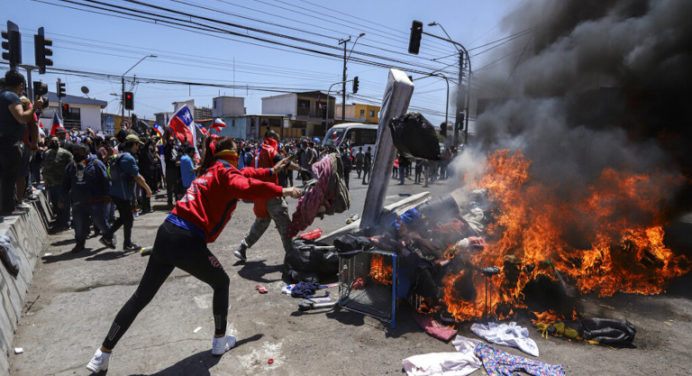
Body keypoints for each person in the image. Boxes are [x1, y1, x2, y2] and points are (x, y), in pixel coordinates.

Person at [85, 135, 301, 373]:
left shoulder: (213, 169)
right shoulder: (225, 172)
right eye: (236, 148)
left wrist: (271, 169)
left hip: (166, 231)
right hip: (186, 239)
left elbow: (247, 175)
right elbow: (246, 185)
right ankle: (220, 341)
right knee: (222, 282)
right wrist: (285, 189)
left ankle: (102, 354)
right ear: (229, 152)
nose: (239, 150)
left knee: (140, 297)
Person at [234, 130, 300, 262]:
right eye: (277, 139)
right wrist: (300, 169)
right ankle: (292, 257)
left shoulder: (257, 152)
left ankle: (242, 247)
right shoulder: (269, 149)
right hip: (270, 194)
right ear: (271, 138)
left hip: (259, 195)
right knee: (284, 223)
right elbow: (283, 162)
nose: (278, 142)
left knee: (261, 223)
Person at [0, 70, 43, 215]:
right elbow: (22, 117)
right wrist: (35, 107)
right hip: (9, 143)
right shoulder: (11, 97)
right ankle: (7, 209)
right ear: (20, 85)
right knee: (9, 178)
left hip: (3, 141)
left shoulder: (1, 96)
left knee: (5, 177)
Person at [100, 134, 152, 251]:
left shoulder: (118, 156)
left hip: (116, 192)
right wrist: (148, 189)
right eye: (138, 145)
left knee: (125, 217)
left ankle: (109, 237)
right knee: (128, 218)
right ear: (134, 144)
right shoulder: (128, 158)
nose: (138, 148)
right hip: (122, 193)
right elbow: (138, 177)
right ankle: (125, 243)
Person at [63, 144, 112, 253]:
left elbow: (105, 179)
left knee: (101, 223)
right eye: (74, 151)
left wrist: (108, 195)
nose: (76, 154)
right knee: (79, 226)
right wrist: (62, 198)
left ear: (86, 152)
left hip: (96, 201)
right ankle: (80, 244)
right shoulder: (71, 166)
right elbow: (66, 183)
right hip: (78, 202)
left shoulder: (96, 163)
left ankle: (109, 238)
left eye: (79, 151)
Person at [42, 135, 73, 231]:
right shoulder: (47, 153)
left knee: (64, 203)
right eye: (52, 141)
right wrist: (45, 180)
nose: (54, 143)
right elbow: (45, 168)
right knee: (55, 203)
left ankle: (66, 222)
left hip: (62, 184)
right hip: (51, 184)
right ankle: (60, 221)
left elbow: (71, 168)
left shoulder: (66, 154)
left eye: (56, 141)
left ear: (59, 142)